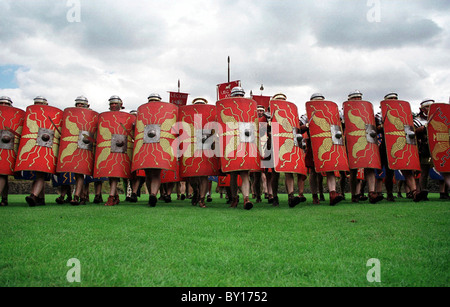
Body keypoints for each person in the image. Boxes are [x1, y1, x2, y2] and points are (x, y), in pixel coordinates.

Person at [300, 93, 344, 206]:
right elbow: (298, 129)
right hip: (313, 145)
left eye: (321, 101)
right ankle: (315, 196)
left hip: (328, 143)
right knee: (313, 172)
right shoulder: (306, 116)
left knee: (330, 169)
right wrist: (306, 126)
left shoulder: (330, 114)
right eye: (316, 101)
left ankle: (333, 193)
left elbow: (338, 125)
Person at [377, 92, 421, 202]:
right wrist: (382, 125)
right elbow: (374, 129)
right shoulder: (379, 115)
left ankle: (415, 192)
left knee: (406, 169)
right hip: (387, 145)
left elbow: (410, 127)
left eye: (395, 98)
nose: (393, 100)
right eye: (391, 98)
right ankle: (390, 193)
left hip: (402, 142)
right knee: (389, 171)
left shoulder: (404, 113)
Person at [345, 90, 383, 204]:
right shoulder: (344, 112)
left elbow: (375, 126)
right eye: (354, 97)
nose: (357, 99)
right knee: (353, 170)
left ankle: (372, 193)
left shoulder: (368, 111)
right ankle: (354, 194)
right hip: (351, 141)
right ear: (349, 100)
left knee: (369, 166)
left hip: (367, 140)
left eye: (359, 97)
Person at [227, 87, 254, 210]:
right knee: (233, 173)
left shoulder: (248, 107)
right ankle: (234, 197)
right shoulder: (227, 108)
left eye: (240, 95)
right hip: (231, 143)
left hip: (245, 142)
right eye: (236, 95)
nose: (238, 97)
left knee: (244, 173)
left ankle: (246, 198)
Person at [25, 96, 51, 206]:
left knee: (40, 174)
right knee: (37, 175)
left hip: (45, 149)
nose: (38, 105)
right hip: (34, 149)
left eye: (40, 103)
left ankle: (34, 195)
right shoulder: (32, 117)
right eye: (36, 103)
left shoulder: (50, 117)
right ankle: (41, 198)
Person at [69, 96, 91, 205]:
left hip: (86, 147)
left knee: (80, 172)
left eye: (82, 104)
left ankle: (77, 196)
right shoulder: (73, 116)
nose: (79, 105)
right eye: (78, 104)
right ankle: (82, 196)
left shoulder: (91, 116)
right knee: (77, 173)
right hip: (74, 147)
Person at [104, 95, 126, 206]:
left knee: (114, 173)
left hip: (121, 148)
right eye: (111, 103)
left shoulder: (124, 118)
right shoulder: (105, 117)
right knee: (110, 173)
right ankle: (116, 196)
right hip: (107, 146)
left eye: (115, 103)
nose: (113, 105)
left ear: (120, 105)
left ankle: (111, 197)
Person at [413, 98, 434, 201]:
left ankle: (444, 192)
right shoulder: (417, 120)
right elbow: (412, 132)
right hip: (424, 148)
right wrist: (421, 129)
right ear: (422, 109)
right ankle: (421, 191)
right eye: (427, 107)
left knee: (446, 170)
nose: (429, 109)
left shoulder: (439, 119)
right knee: (423, 172)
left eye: (431, 106)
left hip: (436, 147)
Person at [0, 96, 14, 206]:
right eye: (1, 103)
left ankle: (4, 198)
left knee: (2, 174)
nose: (3, 105)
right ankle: (4, 198)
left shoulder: (12, 118)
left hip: (6, 149)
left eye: (6, 104)